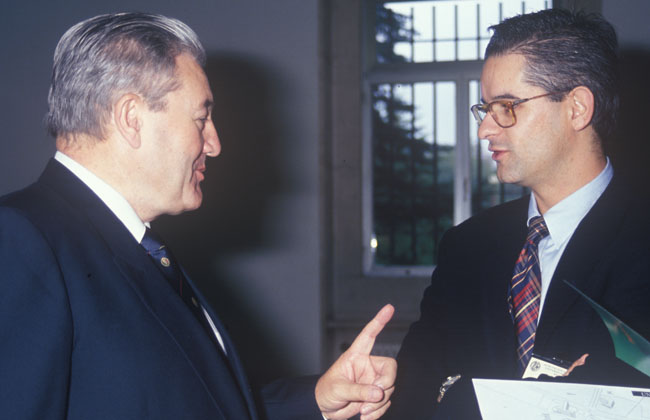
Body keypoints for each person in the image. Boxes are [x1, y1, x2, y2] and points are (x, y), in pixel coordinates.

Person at [0, 12, 396, 420]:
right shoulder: (19, 241)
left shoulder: (137, 247)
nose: (215, 143)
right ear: (131, 118)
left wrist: (314, 400)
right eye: (201, 118)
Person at [386, 8, 650, 419]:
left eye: (507, 106)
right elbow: (412, 393)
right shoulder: (467, 246)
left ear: (578, 108)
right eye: (485, 108)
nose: (484, 130)